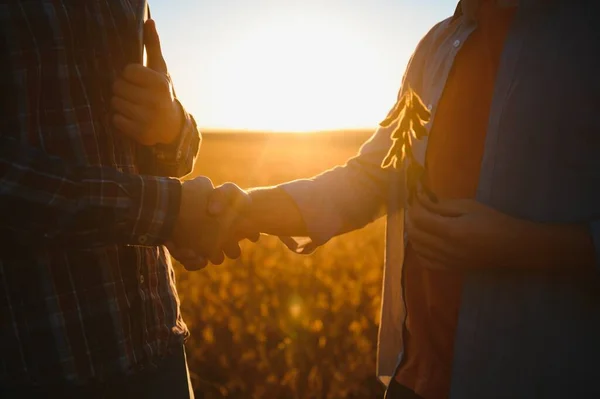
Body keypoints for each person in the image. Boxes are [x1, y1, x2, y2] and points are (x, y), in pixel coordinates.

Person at [192, 0, 600, 398]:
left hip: (540, 377)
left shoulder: (584, 34)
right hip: (415, 377)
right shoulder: (438, 45)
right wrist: (248, 208)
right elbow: (376, 175)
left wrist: (520, 247)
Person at [0, 2, 251, 398]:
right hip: (36, 369)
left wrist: (171, 126)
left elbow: (164, 151)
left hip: (159, 349)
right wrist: (166, 211)